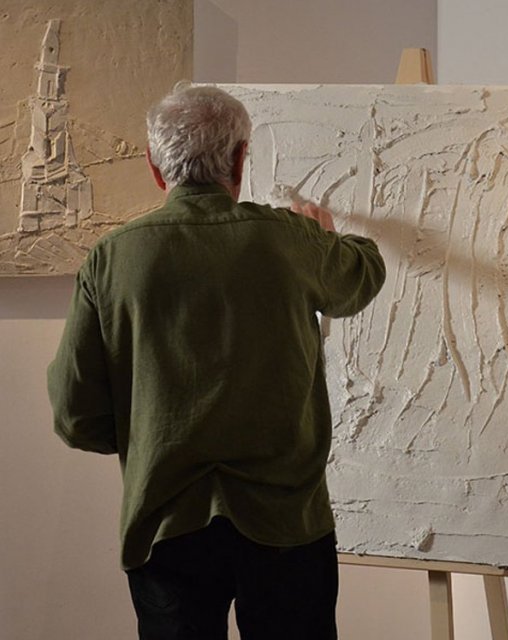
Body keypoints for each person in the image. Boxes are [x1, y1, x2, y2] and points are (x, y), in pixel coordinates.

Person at [47, 84, 386, 640]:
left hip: (166, 522)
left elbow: (74, 416)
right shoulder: (291, 240)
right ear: (239, 158)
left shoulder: (112, 258)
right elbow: (362, 278)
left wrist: (149, 435)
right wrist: (329, 236)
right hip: (285, 522)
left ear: (156, 167)